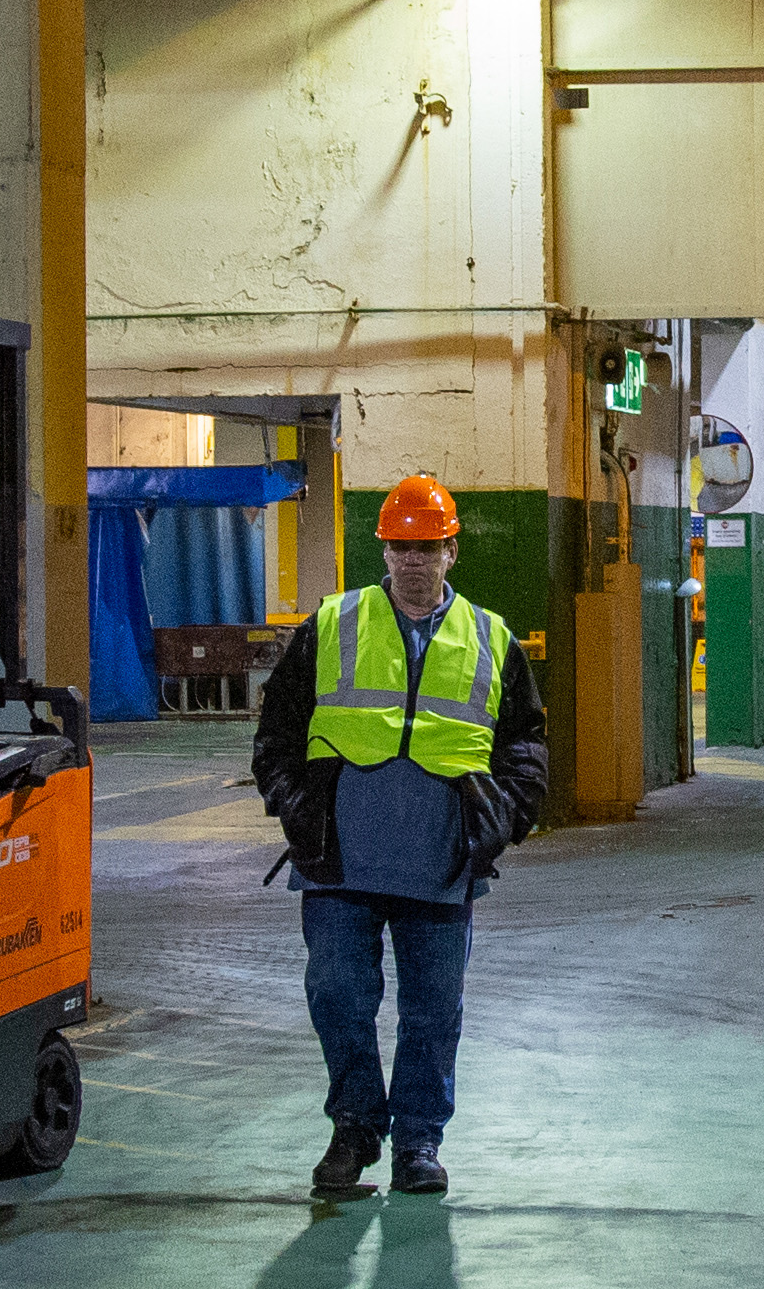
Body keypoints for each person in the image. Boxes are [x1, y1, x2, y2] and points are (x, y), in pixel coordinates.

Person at [254, 473, 547, 1194]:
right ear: (382, 550)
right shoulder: (332, 624)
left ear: (452, 551)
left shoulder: (490, 636)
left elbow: (525, 744)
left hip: (441, 863)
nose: (412, 560)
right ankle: (355, 1128)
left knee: (431, 1011)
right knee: (337, 995)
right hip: (339, 861)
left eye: (426, 547)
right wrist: (294, 803)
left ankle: (419, 1140)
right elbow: (277, 733)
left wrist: (501, 819)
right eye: (399, 547)